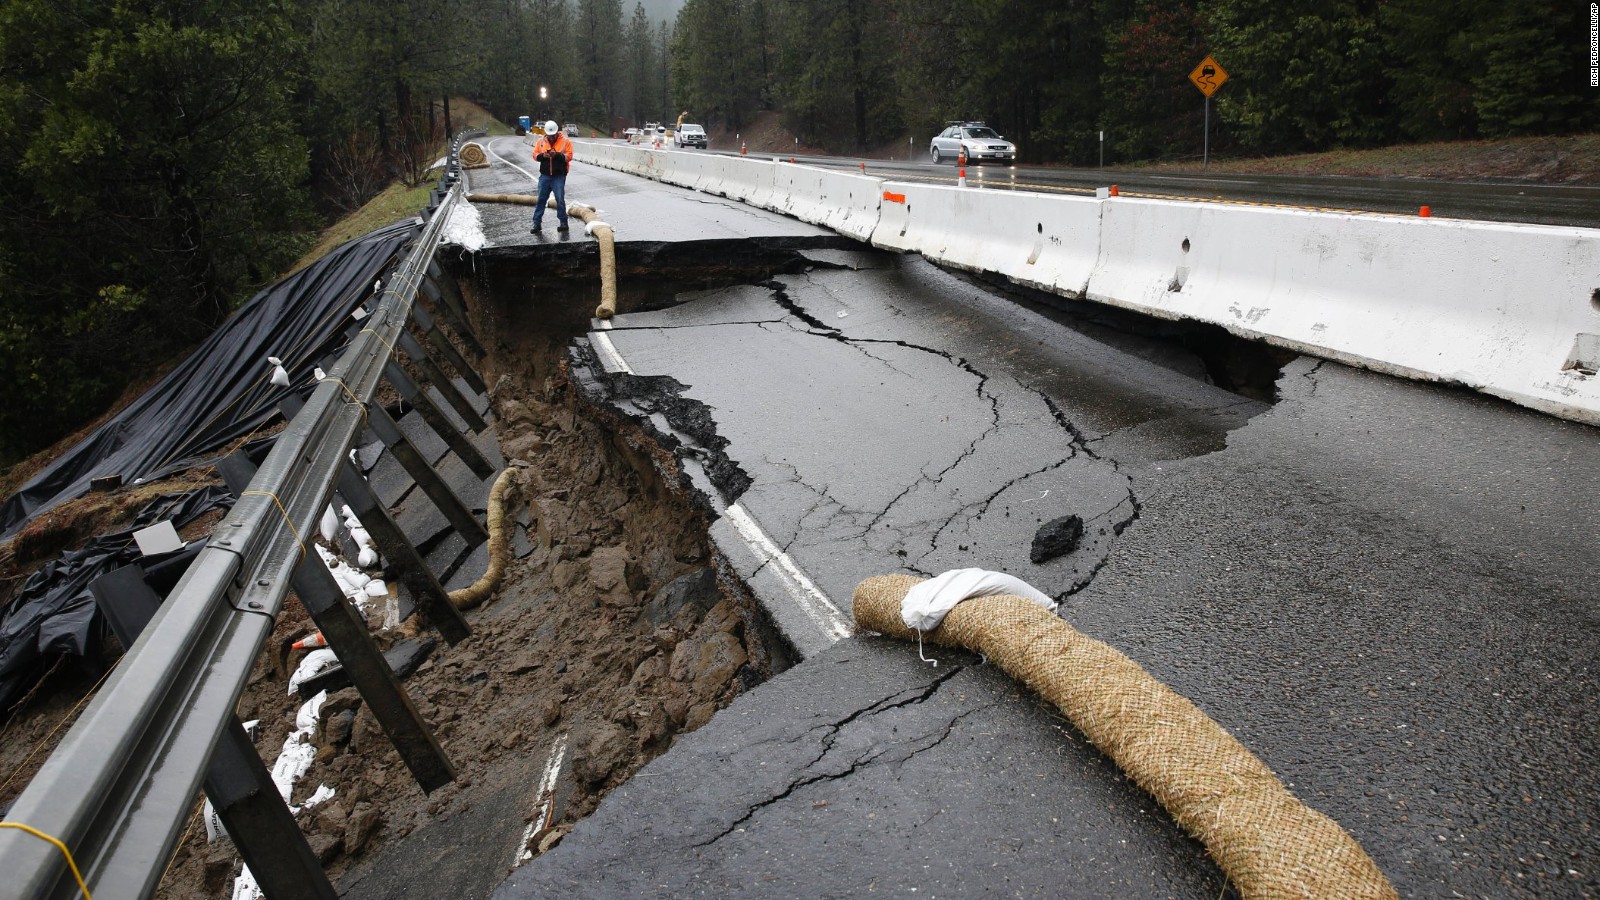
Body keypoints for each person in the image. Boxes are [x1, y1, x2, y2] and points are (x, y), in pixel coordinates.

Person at [530, 120, 574, 234]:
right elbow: (534, 155)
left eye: (553, 135)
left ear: (556, 133)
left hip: (558, 176)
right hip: (544, 176)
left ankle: (563, 222)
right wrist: (542, 156)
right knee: (541, 199)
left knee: (560, 199)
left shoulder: (565, 142)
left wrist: (557, 155)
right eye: (549, 136)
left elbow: (569, 156)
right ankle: (536, 223)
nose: (551, 138)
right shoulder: (540, 142)